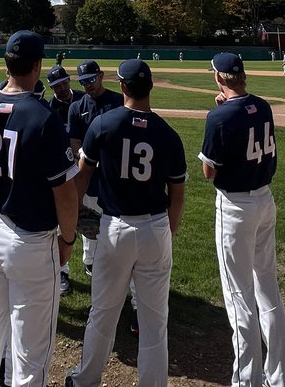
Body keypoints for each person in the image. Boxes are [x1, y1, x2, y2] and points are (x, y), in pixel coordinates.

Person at [0, 31, 79, 387]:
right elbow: (66, 193)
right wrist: (68, 240)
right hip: (28, 240)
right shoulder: (44, 117)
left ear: (6, 63)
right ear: (38, 66)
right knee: (31, 353)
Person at [66, 59, 186, 387]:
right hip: (156, 228)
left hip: (115, 226)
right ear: (151, 88)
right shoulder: (168, 134)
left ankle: (85, 380)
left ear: (121, 87)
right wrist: (167, 233)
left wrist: (74, 216)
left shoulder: (103, 125)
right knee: (154, 322)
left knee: (103, 312)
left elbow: (82, 176)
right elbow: (177, 195)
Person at [200, 52, 285, 387]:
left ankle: (246, 381)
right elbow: (246, 114)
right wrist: (225, 104)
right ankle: (279, 378)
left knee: (239, 297)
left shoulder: (219, 117)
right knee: (267, 289)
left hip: (235, 208)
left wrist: (220, 110)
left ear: (220, 78)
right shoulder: (263, 106)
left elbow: (209, 171)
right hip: (265, 200)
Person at [68, 60, 124, 278]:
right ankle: (90, 260)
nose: (88, 85)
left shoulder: (117, 101)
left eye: (91, 80)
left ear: (101, 76)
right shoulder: (77, 106)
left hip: (112, 172)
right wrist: (84, 158)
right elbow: (74, 140)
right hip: (88, 172)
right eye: (83, 82)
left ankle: (113, 257)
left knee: (112, 217)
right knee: (88, 220)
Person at [46, 64, 84, 296]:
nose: (60, 89)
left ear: (69, 81)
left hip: (84, 167)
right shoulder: (49, 107)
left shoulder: (82, 100)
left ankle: (92, 263)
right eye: (55, 86)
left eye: (62, 83)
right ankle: (62, 270)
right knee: (61, 221)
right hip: (60, 170)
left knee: (91, 218)